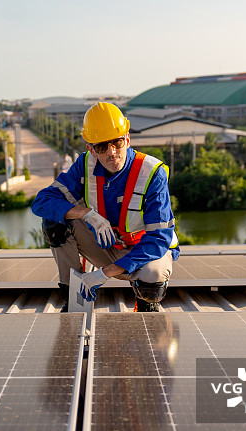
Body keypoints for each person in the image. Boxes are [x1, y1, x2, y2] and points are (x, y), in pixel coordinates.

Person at [31, 102, 179, 312]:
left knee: (152, 276)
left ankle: (147, 304)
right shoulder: (84, 166)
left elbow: (159, 238)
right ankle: (74, 294)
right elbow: (42, 201)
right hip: (106, 246)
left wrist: (102, 274)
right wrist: (86, 214)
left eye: (117, 142)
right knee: (54, 222)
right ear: (91, 149)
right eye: (101, 146)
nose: (111, 152)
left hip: (144, 253)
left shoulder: (151, 173)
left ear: (127, 139)